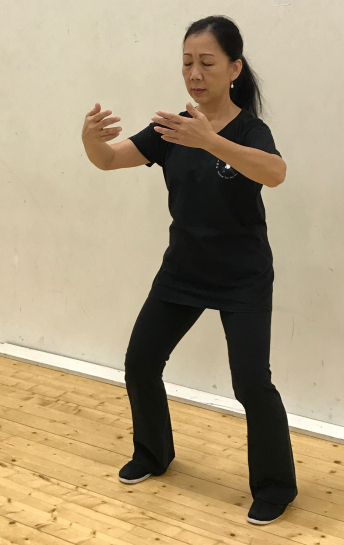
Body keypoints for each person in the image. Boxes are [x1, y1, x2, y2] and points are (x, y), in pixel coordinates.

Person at [82, 15, 298, 526]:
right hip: (182, 271)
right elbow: (108, 160)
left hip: (243, 277)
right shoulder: (173, 126)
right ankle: (153, 453)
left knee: (252, 384)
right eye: (186, 63)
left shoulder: (249, 130)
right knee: (140, 362)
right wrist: (90, 139)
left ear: (234, 69)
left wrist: (210, 141)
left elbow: (276, 173)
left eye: (206, 63)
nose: (194, 74)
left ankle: (276, 487)